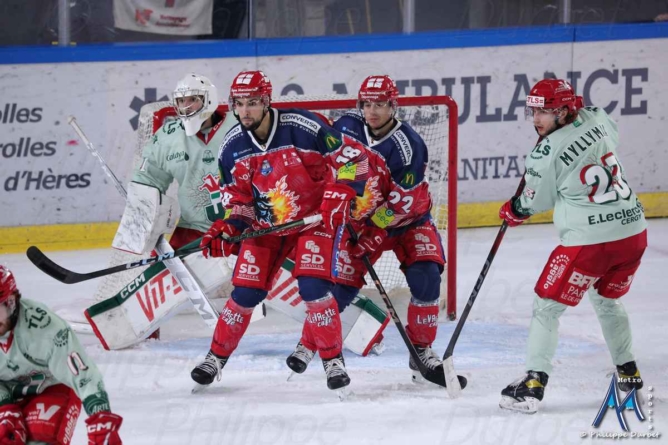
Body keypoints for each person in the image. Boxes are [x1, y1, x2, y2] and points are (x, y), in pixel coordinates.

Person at [192, 70, 375, 393]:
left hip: (313, 222)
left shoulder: (305, 126)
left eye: (252, 103)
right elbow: (241, 203)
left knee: (314, 288)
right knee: (245, 294)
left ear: (266, 101)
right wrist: (227, 228)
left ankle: (333, 361)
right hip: (266, 227)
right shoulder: (231, 147)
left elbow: (356, 161)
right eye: (239, 104)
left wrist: (342, 191)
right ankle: (215, 358)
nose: (245, 110)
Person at [284, 75, 465, 388]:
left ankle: (421, 351)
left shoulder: (409, 147)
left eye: (380, 104)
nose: (373, 110)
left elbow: (401, 201)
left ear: (393, 105)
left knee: (427, 276)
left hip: (409, 219)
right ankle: (308, 343)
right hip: (360, 221)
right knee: (339, 288)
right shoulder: (345, 127)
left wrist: (376, 234)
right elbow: (336, 163)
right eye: (367, 103)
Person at [498, 79, 648, 413]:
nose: (537, 118)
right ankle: (629, 374)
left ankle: (534, 383)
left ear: (565, 110)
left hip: (590, 241)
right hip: (634, 232)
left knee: (546, 306)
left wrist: (514, 209)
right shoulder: (596, 117)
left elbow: (535, 202)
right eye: (533, 110)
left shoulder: (545, 153)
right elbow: (610, 135)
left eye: (546, 111)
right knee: (607, 300)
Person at [0, 265, 123, 444]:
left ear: (11, 302)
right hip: (6, 390)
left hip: (51, 387)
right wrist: (4, 407)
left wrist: (101, 416)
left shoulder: (46, 329)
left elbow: (83, 376)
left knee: (39, 441)